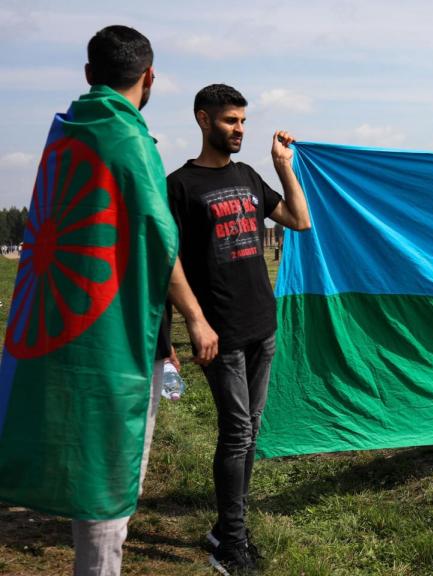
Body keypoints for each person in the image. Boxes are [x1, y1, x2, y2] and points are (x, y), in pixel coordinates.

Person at [0, 25, 217, 576]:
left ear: (89, 76)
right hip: (110, 339)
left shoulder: (68, 133)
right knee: (107, 465)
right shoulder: (130, 142)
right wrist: (195, 316)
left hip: (61, 325)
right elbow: (159, 241)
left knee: (84, 450)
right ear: (150, 78)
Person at [167, 83, 311, 574]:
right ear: (203, 120)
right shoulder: (180, 186)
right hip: (220, 333)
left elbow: (299, 219)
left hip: (261, 326)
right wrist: (195, 321)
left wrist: (283, 168)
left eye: (244, 121)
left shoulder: (249, 175)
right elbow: (168, 263)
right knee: (234, 434)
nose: (240, 130)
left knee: (249, 433)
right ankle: (231, 543)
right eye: (230, 121)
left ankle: (227, 527)